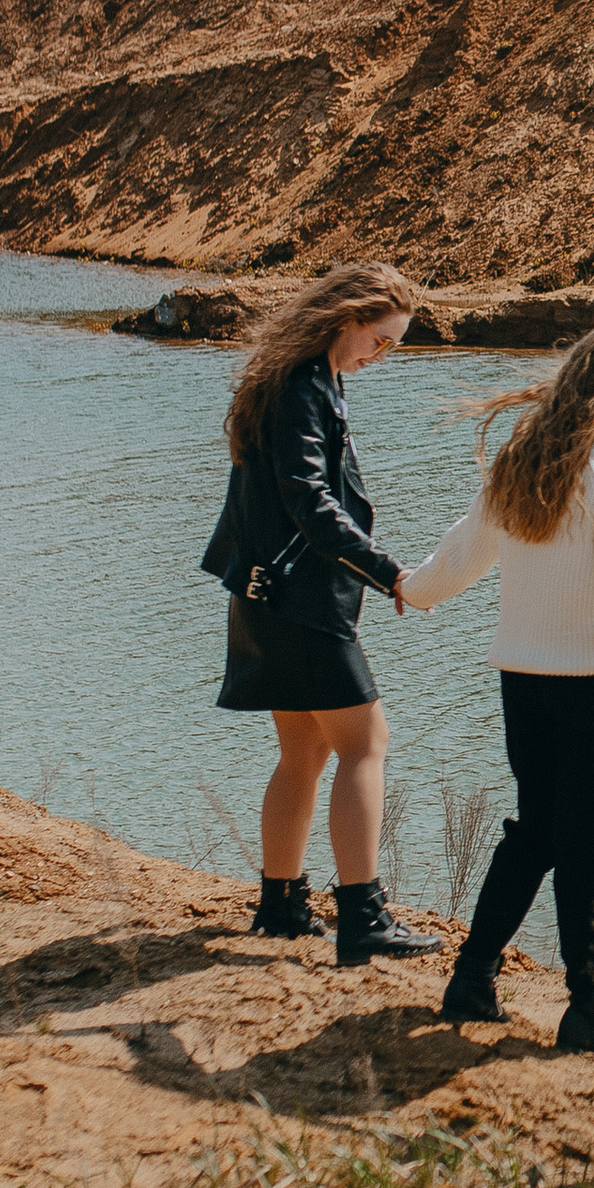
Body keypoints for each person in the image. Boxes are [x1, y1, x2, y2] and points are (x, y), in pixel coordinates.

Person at [399, 326, 594, 1059]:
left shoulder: (520, 457)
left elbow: (461, 552)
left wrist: (412, 591)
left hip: (522, 681)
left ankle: (472, 979)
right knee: (588, 850)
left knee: (535, 831)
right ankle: (585, 1011)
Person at [202, 259, 438, 967]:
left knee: (302, 753)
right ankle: (362, 916)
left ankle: (280, 906)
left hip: (268, 597)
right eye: (381, 339)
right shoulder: (304, 386)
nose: (382, 355)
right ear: (347, 319)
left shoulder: (300, 378)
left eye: (393, 344)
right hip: (301, 605)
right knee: (367, 744)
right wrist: (387, 570)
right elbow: (309, 500)